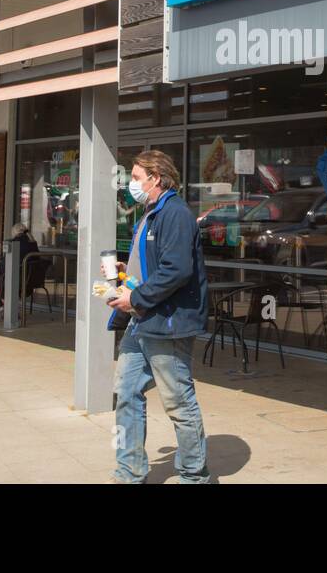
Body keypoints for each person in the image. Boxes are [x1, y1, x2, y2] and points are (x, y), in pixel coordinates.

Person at [106, 149, 211, 483]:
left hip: (168, 322)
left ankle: (194, 475)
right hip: (143, 320)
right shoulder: (150, 213)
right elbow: (155, 266)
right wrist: (128, 272)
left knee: (178, 402)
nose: (131, 184)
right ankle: (129, 471)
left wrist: (135, 297)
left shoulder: (175, 214)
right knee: (125, 391)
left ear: (157, 178)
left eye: (137, 178)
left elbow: (177, 270)